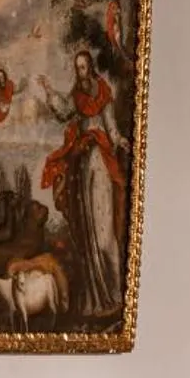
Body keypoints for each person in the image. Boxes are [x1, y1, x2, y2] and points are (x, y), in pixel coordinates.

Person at [37, 48, 125, 315]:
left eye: (83, 67)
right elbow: (64, 111)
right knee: (89, 230)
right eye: (77, 68)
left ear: (91, 67)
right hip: (84, 163)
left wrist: (119, 139)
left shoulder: (103, 92)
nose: (80, 72)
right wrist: (49, 90)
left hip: (100, 159)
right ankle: (97, 298)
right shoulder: (76, 95)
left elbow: (111, 126)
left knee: (103, 233)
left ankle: (116, 293)